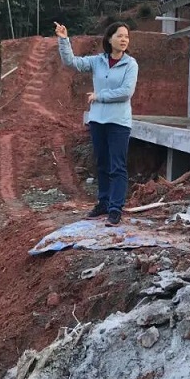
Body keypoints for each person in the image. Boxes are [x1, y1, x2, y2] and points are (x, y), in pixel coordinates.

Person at [55, 21, 139, 227]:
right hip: (98, 121)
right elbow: (71, 63)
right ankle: (103, 203)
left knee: (117, 166)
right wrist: (64, 40)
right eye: (120, 36)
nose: (124, 40)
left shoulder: (130, 64)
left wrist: (99, 96)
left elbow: (126, 92)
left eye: (126, 36)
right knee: (101, 164)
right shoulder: (98, 61)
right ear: (109, 39)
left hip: (119, 122)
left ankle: (115, 209)